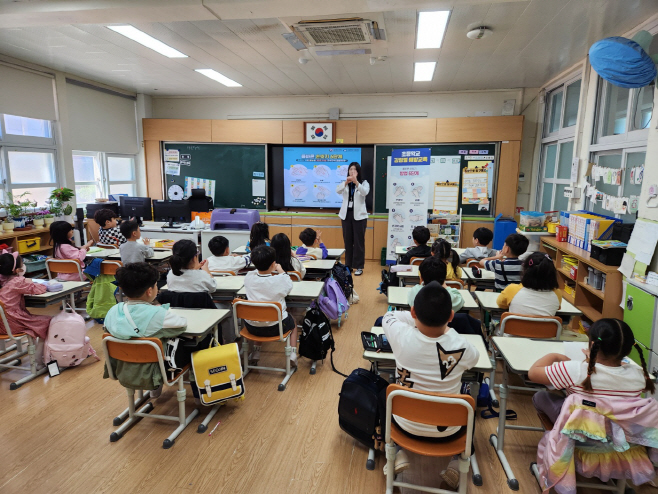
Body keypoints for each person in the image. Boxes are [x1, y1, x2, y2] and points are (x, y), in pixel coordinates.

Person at [381, 282, 479, 487]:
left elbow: (389, 317)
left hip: (404, 427)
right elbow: (475, 359)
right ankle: (455, 463)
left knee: (386, 394)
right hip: (449, 433)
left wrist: (415, 317)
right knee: (470, 407)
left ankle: (398, 452)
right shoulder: (460, 345)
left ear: (414, 311)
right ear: (451, 316)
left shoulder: (401, 336)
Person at [528, 318, 655, 425]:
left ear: (593, 345)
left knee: (540, 396)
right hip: (619, 431)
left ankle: (557, 433)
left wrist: (554, 356)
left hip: (578, 428)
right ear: (627, 351)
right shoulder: (639, 375)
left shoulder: (575, 369)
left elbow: (533, 374)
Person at [103, 262, 190, 398]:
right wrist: (160, 311)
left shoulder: (113, 311)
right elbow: (182, 325)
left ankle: (150, 396)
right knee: (188, 342)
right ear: (150, 291)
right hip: (154, 373)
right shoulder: (158, 315)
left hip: (122, 371)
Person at [243, 245, 297, 366]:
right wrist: (280, 270)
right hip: (277, 327)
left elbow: (255, 273)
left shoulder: (248, 278)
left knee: (259, 315)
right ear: (273, 264)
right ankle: (293, 353)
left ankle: (256, 352)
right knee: (293, 323)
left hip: (252, 327)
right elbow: (288, 283)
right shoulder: (279, 280)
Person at [0, 252, 51, 366]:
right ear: (17, 270)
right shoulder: (17, 281)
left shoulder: (2, 280)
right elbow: (40, 288)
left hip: (2, 324)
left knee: (34, 324)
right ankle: (38, 360)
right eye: (22, 264)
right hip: (12, 323)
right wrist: (29, 281)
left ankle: (34, 353)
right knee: (48, 322)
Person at [496, 252, 562, 316]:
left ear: (525, 271)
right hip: (545, 327)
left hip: (516, 327)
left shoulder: (512, 290)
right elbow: (557, 308)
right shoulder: (557, 293)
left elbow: (500, 304)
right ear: (552, 274)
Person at [337, 162, 370, 276]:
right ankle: (348, 266)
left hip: (359, 216)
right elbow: (338, 190)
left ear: (358, 172)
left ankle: (359, 266)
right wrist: (346, 182)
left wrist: (356, 182)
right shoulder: (346, 183)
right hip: (346, 215)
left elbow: (365, 192)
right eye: (350, 169)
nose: (352, 171)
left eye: (354, 170)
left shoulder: (364, 183)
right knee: (348, 241)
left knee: (358, 242)